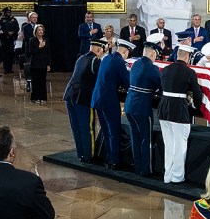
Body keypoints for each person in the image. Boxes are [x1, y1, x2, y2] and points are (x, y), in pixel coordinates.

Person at [158, 44, 201, 183]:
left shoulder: (165, 69)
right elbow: (197, 93)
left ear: (177, 56)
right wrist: (197, 107)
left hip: (164, 109)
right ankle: (177, 177)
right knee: (180, 146)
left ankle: (167, 175)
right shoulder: (189, 72)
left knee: (168, 145)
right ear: (187, 58)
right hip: (179, 111)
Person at [91, 38, 133, 169]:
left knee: (105, 129)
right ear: (125, 52)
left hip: (97, 99)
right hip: (109, 101)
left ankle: (108, 158)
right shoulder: (119, 62)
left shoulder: (106, 58)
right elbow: (128, 83)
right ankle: (115, 161)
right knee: (113, 131)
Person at [125, 33, 162, 177]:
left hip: (129, 106)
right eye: (155, 55)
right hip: (142, 108)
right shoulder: (152, 68)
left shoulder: (135, 64)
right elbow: (161, 86)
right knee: (146, 139)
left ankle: (137, 166)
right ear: (152, 53)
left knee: (135, 137)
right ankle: (145, 170)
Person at [64, 38, 106, 163]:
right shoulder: (95, 60)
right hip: (83, 98)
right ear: (99, 50)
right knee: (88, 128)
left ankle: (81, 154)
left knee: (76, 127)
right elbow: (102, 79)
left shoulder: (81, 58)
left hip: (70, 95)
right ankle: (89, 155)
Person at [29, 24, 51, 104]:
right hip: (35, 64)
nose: (41, 31)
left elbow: (48, 53)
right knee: (35, 82)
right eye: (39, 30)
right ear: (36, 31)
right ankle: (35, 97)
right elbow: (32, 53)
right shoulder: (32, 40)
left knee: (42, 81)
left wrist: (48, 64)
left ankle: (43, 98)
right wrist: (39, 47)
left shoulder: (46, 40)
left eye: (42, 30)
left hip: (43, 64)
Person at [0, 7, 19, 75]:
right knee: (5, 55)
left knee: (11, 54)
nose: (9, 13)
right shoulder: (2, 20)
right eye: (7, 12)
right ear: (5, 13)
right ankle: (6, 69)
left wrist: (13, 32)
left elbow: (17, 28)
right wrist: (7, 32)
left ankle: (10, 68)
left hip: (11, 39)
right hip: (4, 39)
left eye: (10, 12)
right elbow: (0, 29)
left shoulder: (14, 20)